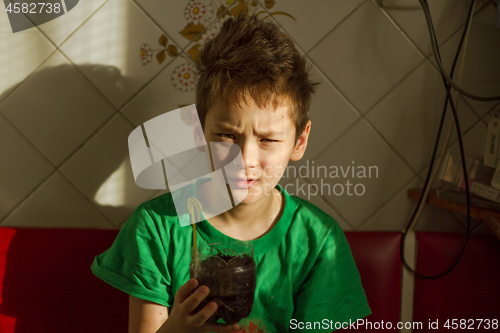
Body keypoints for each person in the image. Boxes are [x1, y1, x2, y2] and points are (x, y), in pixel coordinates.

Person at [91, 14, 371, 333]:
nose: (244, 159)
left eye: (268, 140)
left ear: (299, 141)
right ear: (198, 134)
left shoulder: (317, 242)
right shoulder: (156, 229)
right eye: (227, 136)